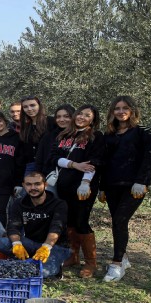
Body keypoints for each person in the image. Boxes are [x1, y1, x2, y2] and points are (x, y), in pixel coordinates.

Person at [99, 96, 151, 282]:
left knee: (119, 220)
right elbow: (104, 163)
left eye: (125, 108)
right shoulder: (109, 135)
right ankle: (122, 257)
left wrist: (142, 181)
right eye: (117, 108)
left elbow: (150, 158)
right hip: (112, 185)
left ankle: (116, 264)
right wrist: (101, 187)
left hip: (134, 186)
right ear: (112, 112)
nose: (121, 111)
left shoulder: (145, 133)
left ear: (133, 110)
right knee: (118, 223)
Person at [47, 105, 104, 278]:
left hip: (83, 186)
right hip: (64, 185)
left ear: (93, 119)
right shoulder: (65, 135)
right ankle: (72, 256)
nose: (82, 117)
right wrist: (73, 164)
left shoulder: (96, 137)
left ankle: (90, 262)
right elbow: (53, 157)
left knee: (81, 221)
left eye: (87, 115)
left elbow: (96, 161)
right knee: (69, 220)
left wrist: (86, 181)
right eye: (80, 113)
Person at [0, 172, 71, 278]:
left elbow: (56, 228)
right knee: (2, 243)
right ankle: (28, 261)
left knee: (44, 272)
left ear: (45, 185)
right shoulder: (18, 203)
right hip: (32, 243)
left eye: (37, 184)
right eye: (29, 184)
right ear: (23, 185)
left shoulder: (58, 204)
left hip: (55, 246)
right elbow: (13, 227)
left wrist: (46, 247)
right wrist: (17, 243)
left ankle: (46, 265)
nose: (33, 188)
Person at [35, 104, 75, 177]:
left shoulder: (80, 136)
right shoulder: (48, 136)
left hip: (71, 178)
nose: (62, 120)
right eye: (58, 117)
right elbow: (39, 159)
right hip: (49, 178)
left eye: (66, 116)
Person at [19, 96, 56, 174]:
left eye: (32, 105)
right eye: (25, 107)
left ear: (39, 105)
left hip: (49, 165)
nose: (29, 109)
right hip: (31, 166)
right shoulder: (26, 126)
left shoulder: (51, 122)